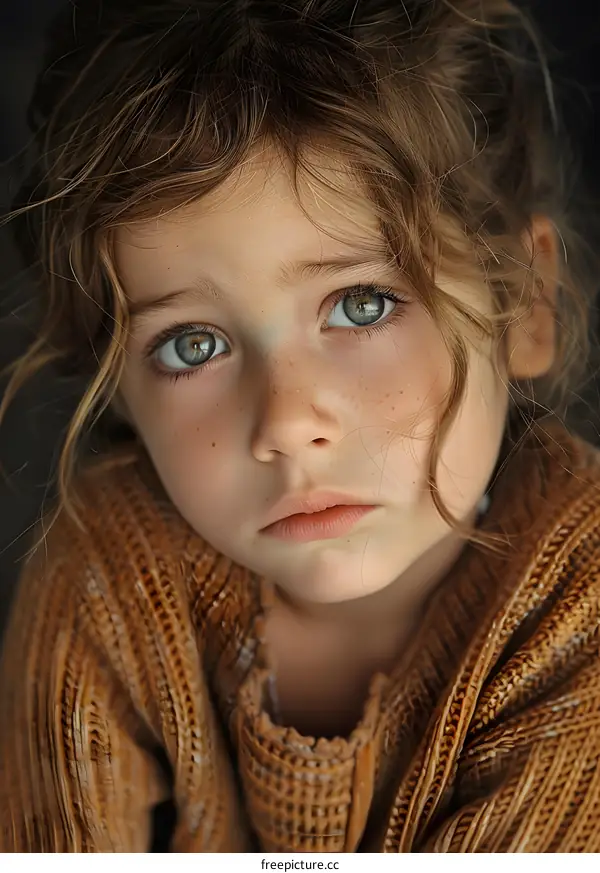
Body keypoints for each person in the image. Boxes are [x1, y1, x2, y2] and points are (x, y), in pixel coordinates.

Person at [1, 0, 600, 853]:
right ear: (120, 388)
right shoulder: (110, 573)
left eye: (362, 305)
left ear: (526, 304)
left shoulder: (581, 605)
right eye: (192, 344)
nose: (285, 423)